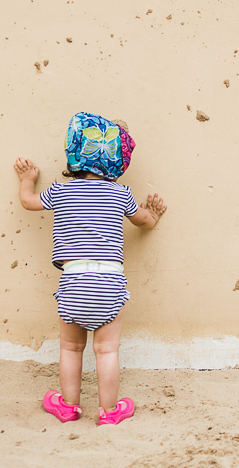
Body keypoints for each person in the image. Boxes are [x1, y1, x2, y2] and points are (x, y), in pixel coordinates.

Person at [13, 113, 166, 426]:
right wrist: (153, 214)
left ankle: (68, 407)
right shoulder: (121, 195)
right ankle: (109, 412)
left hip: (73, 280)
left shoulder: (60, 191)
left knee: (71, 347)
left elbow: (28, 202)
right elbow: (144, 222)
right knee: (106, 350)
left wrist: (27, 179)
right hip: (110, 281)